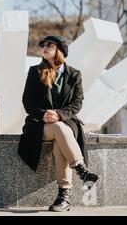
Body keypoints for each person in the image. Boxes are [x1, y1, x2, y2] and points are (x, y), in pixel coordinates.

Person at [18, 35, 99, 212]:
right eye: (43, 45)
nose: (44, 48)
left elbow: (77, 103)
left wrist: (60, 114)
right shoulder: (35, 71)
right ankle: (81, 169)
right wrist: (43, 114)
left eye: (49, 45)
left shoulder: (74, 74)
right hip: (40, 125)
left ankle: (63, 198)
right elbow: (27, 101)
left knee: (59, 143)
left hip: (66, 124)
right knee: (57, 128)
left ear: (59, 51)